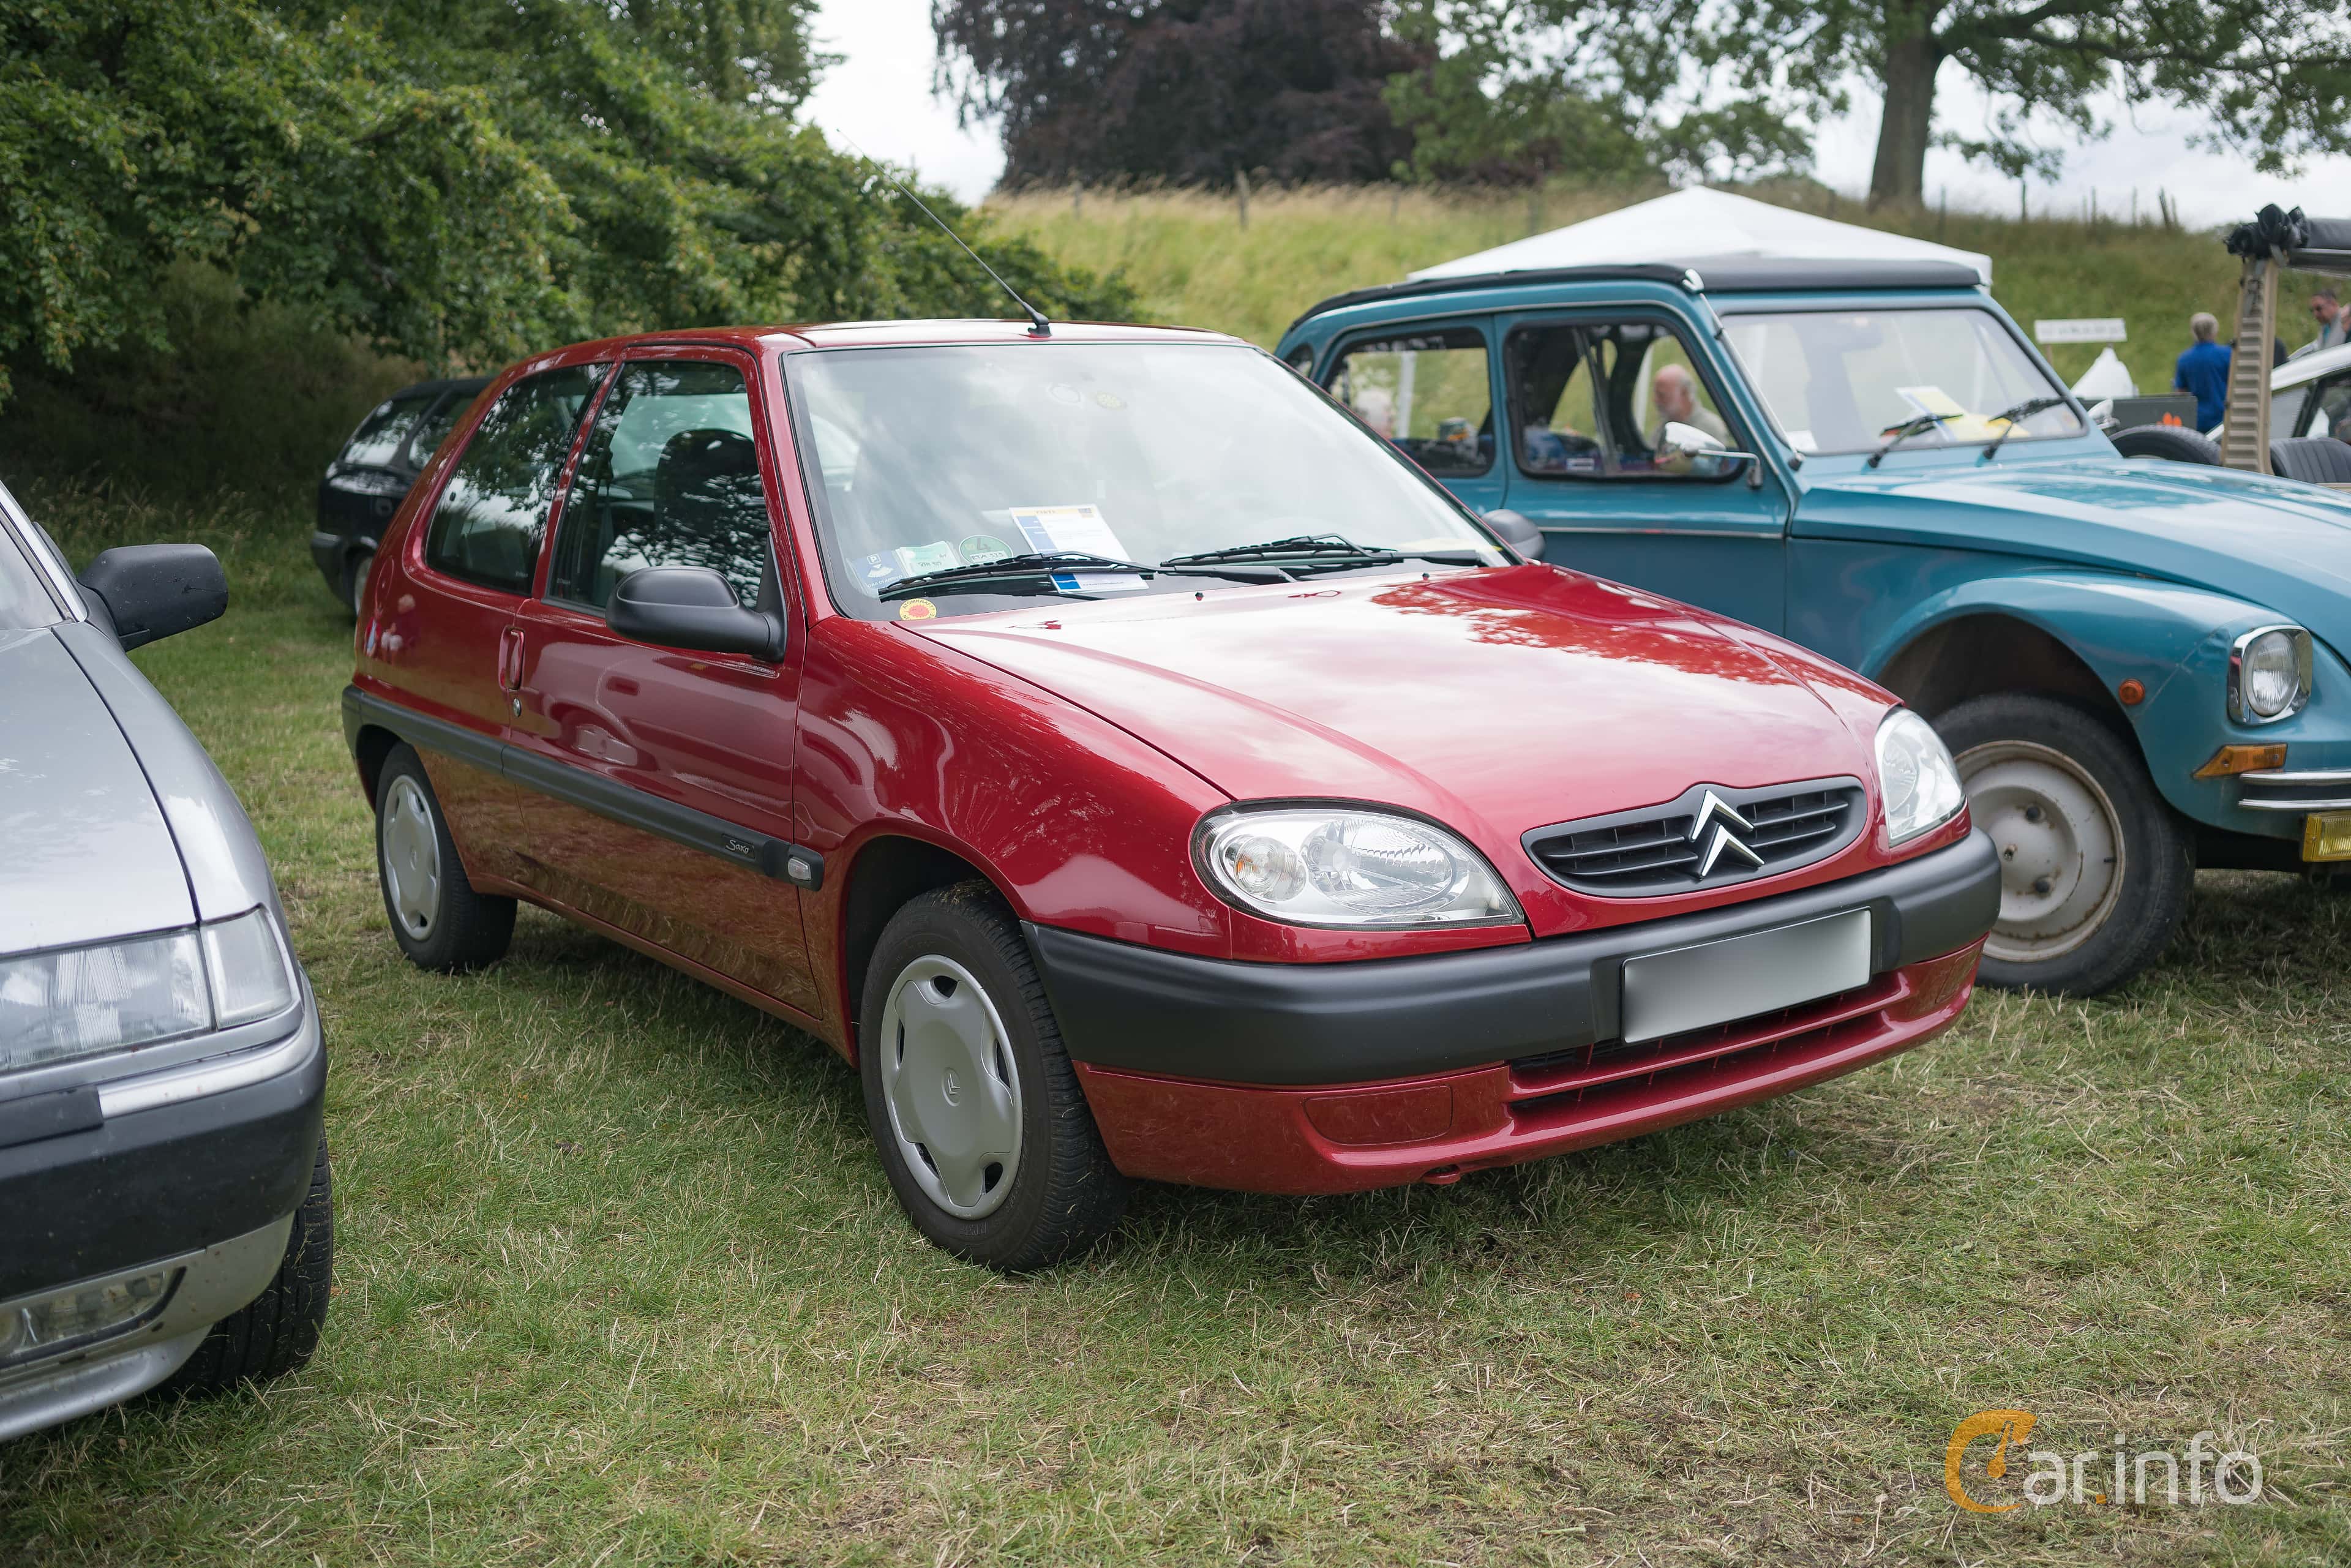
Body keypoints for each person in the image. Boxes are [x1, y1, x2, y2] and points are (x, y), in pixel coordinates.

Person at [2174, 313, 2232, 430]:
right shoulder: (2228, 354)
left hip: (2197, 421)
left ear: (2193, 332)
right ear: (2215, 331)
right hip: (2223, 419)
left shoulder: (2184, 358)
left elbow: (2181, 393)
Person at [1649, 363, 1730, 446]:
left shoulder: (1711, 428)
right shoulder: (1662, 429)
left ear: (1684, 393)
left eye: (1662, 395)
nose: (1656, 400)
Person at [2296, 289, 2347, 359]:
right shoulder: (2325, 327)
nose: (2315, 314)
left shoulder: (2346, 322)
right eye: (2312, 310)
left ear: (2333, 304)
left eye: (2319, 308)